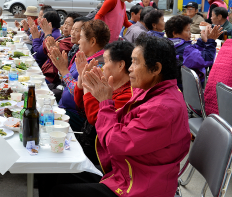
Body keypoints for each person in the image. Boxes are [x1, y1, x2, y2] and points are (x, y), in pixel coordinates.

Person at [45, 34, 190, 197]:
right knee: (54, 168)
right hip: (123, 172)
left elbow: (116, 144)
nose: (130, 68)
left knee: (61, 191)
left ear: (155, 69)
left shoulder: (162, 107)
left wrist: (105, 102)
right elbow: (118, 122)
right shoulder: (149, 91)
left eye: (135, 62)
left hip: (138, 186)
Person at [73, 41, 134, 165]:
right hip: (87, 140)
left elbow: (94, 118)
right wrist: (82, 78)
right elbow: (80, 104)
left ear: (120, 65)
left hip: (99, 154)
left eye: (105, 62)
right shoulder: (109, 84)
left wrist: (87, 84)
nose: (102, 67)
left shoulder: (128, 94)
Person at [47, 19, 110, 132]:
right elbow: (66, 80)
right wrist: (62, 68)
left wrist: (63, 70)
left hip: (75, 116)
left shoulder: (98, 65)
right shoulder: (83, 55)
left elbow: (79, 92)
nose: (78, 41)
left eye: (81, 37)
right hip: (64, 108)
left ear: (92, 41)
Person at [165, 15, 220, 90]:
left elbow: (192, 52)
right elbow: (208, 59)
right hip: (189, 89)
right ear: (175, 33)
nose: (190, 33)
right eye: (187, 30)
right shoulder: (185, 50)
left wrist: (202, 41)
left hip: (175, 85)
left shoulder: (169, 44)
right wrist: (211, 42)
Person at [41, 13, 80, 87]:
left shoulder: (69, 42)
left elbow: (41, 53)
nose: (65, 27)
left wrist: (47, 34)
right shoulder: (64, 38)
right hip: (54, 75)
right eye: (65, 23)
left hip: (52, 77)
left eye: (69, 24)